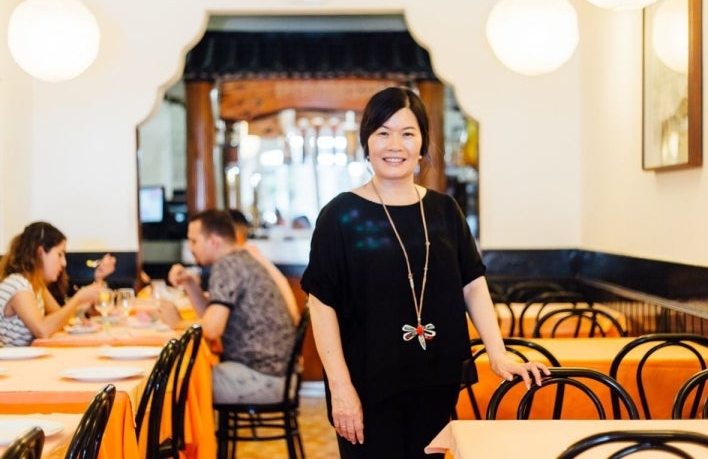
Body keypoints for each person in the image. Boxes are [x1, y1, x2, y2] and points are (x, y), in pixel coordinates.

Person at [300, 87, 550, 458]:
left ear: (422, 144)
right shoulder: (341, 215)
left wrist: (497, 354)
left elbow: (473, 284)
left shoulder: (444, 210)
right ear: (366, 142)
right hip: (367, 384)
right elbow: (321, 305)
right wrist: (340, 388)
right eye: (382, 132)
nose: (394, 144)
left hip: (435, 379)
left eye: (407, 133)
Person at [156, 209, 296, 404]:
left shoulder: (227, 265)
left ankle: (193, 436)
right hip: (277, 374)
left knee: (172, 385)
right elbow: (210, 316)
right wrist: (189, 284)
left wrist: (178, 323)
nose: (190, 247)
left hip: (262, 378)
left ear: (214, 240)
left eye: (194, 241)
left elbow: (212, 329)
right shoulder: (241, 259)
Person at [0, 221, 115, 346]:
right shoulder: (18, 285)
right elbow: (42, 330)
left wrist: (88, 295)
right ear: (41, 252)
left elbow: (60, 318)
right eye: (59, 254)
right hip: (12, 364)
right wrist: (78, 299)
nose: (64, 263)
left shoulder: (36, 285)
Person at [227, 209, 301, 326]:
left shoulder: (240, 261)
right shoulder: (253, 254)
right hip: (285, 329)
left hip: (272, 336)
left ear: (236, 236)